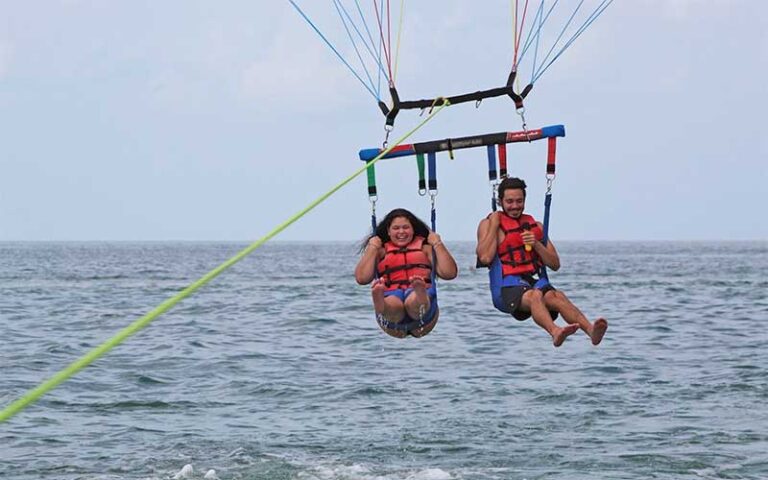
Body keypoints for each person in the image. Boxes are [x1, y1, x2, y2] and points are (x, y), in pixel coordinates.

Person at [476, 177, 608, 347]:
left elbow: (555, 264)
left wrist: (536, 244)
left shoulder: (535, 226)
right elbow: (485, 257)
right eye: (509, 201)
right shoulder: (488, 224)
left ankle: (591, 331)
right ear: (500, 201)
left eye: (519, 201)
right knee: (535, 295)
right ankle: (555, 331)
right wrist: (494, 225)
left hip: (532, 281)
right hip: (506, 287)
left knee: (557, 296)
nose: (515, 206)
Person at [355, 208, 458, 338]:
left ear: (413, 229)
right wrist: (372, 247)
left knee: (412, 301)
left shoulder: (425, 249)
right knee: (394, 303)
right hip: (392, 311)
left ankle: (419, 293)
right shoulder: (380, 251)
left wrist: (437, 243)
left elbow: (449, 273)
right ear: (388, 231)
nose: (401, 232)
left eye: (405, 227)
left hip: (425, 316)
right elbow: (361, 278)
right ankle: (381, 302)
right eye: (396, 228)